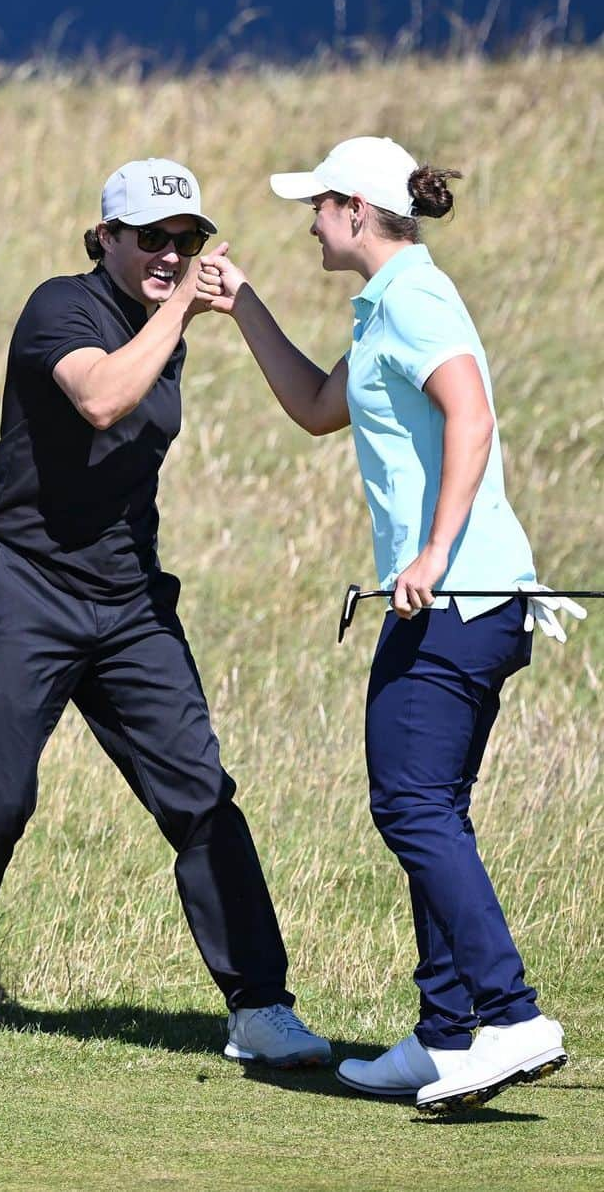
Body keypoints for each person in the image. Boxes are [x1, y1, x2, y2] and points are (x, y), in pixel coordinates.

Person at [0, 157, 331, 1077]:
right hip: (27, 589)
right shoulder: (61, 305)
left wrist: (237, 303)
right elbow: (99, 398)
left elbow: (306, 404)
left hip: (130, 601)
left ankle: (259, 1006)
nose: (173, 255)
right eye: (154, 240)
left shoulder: (162, 320)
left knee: (202, 797)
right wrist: (179, 309)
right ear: (106, 239)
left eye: (189, 240)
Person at [196, 136, 585, 1113]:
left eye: (319, 205)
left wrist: (433, 552)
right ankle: (444, 1033)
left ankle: (510, 1014)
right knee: (427, 805)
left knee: (410, 805)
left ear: (358, 211)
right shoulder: (383, 308)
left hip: (458, 598)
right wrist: (242, 302)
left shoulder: (414, 297)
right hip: (457, 602)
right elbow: (316, 406)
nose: (310, 219)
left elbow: (471, 413)